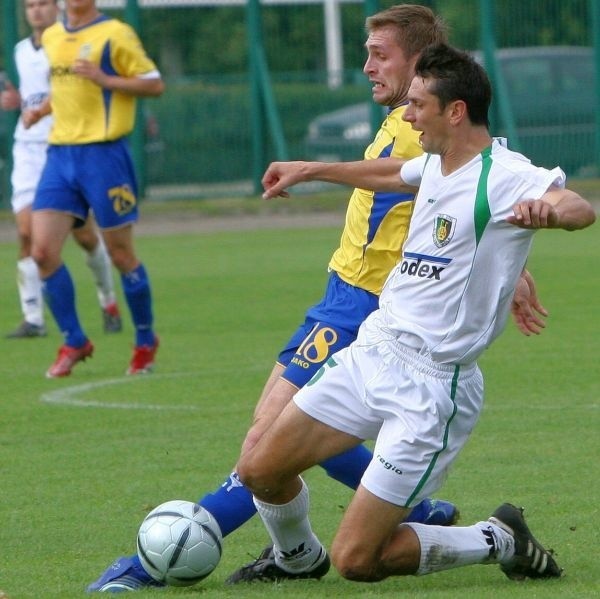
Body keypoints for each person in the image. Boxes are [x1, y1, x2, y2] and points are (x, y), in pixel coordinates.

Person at [87, 6, 549, 592]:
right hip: (342, 293)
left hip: (370, 306)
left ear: (420, 63)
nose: (367, 67)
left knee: (267, 436)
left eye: (380, 55)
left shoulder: (430, 129)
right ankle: (370, 527)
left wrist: (516, 269)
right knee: (303, 439)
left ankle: (159, 563)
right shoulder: (405, 119)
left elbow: (484, 195)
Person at [231, 43, 595, 584]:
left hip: (433, 386)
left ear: (455, 111)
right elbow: (390, 173)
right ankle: (300, 559)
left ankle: (497, 538)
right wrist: (311, 169)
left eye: (418, 104)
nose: (406, 113)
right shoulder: (437, 163)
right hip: (374, 352)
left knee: (358, 561)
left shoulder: (504, 173)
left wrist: (553, 211)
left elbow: (578, 206)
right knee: (260, 469)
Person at [23, 0, 164, 377]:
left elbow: (154, 84)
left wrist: (107, 80)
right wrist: (42, 110)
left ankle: (146, 339)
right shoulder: (53, 35)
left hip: (104, 157)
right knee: (41, 253)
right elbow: (66, 87)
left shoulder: (114, 33)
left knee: (120, 254)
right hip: (60, 155)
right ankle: (74, 340)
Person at [1, 0, 122, 339]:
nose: (36, 11)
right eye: (30, 5)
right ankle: (33, 318)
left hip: (64, 147)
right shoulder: (21, 50)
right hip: (27, 148)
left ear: (56, 7)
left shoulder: (68, 42)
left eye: (42, 4)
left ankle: (108, 299)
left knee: (84, 237)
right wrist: (17, 101)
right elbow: (33, 94)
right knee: (26, 233)